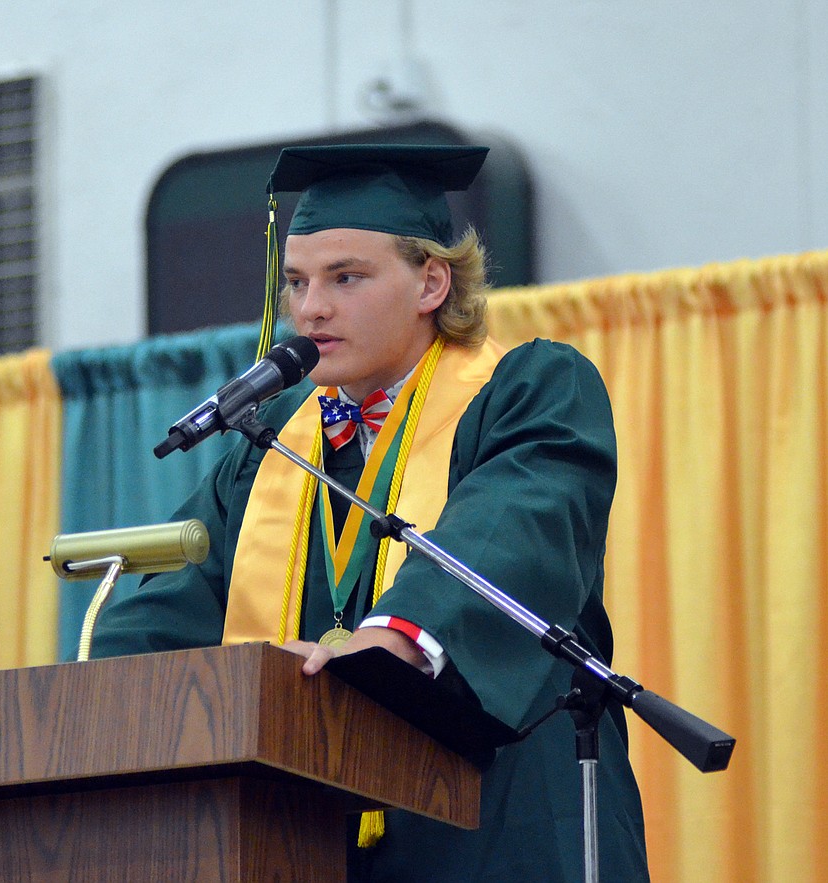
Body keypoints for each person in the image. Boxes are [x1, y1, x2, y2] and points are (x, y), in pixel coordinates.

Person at [91, 144, 650, 882]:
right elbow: (170, 613)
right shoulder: (272, 449)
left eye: (345, 277)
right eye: (296, 281)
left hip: (500, 832)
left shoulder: (529, 391)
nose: (311, 306)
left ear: (431, 281)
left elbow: (512, 526)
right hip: (311, 848)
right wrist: (81, 714)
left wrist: (388, 640)